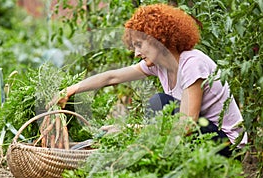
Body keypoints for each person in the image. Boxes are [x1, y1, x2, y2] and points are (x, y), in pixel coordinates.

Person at [50, 3, 247, 157]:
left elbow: (187, 125)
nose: (136, 53)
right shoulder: (159, 66)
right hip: (202, 139)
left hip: (228, 146)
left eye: (139, 45)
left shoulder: (192, 63)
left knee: (159, 103)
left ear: (157, 38)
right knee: (161, 107)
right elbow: (112, 76)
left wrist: (130, 131)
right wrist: (71, 89)